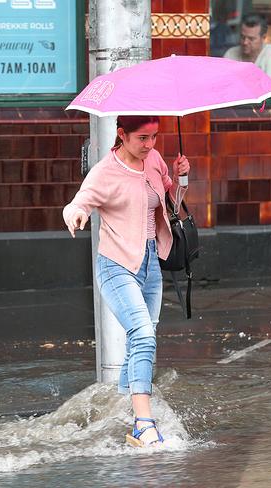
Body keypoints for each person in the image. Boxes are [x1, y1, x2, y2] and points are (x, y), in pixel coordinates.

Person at [63, 115, 190, 447]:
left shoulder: (155, 161)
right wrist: (76, 214)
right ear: (122, 135)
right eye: (142, 138)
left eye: (154, 137)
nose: (150, 145)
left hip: (150, 264)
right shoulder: (105, 172)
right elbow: (78, 202)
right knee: (144, 335)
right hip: (116, 266)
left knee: (140, 341)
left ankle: (120, 409)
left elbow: (170, 204)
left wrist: (181, 180)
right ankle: (143, 424)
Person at [223, 13, 271, 87]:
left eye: (251, 39)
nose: (245, 42)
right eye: (242, 37)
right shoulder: (230, 54)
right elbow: (223, 86)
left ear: (263, 38)